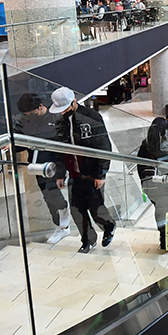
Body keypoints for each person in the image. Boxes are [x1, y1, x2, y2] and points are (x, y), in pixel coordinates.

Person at [51, 87, 116, 254]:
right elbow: (59, 151)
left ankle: (108, 225)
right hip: (74, 174)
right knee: (76, 209)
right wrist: (59, 174)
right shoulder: (61, 122)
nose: (63, 112)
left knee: (96, 207)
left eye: (66, 107)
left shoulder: (91, 117)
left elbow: (104, 145)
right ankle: (88, 240)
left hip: (92, 172)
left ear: (74, 102)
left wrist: (101, 173)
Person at [14, 93, 71, 245]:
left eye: (31, 113)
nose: (29, 117)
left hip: (56, 163)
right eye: (26, 115)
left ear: (40, 107)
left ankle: (64, 211)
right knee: (47, 196)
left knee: (52, 193)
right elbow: (19, 142)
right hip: (37, 165)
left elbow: (64, 147)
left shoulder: (57, 118)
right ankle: (61, 226)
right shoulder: (23, 121)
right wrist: (11, 145)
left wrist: (61, 172)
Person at [137, 118, 168, 251]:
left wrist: (145, 186)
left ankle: (164, 239)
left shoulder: (145, 146)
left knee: (160, 211)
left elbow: (139, 168)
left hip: (152, 187)